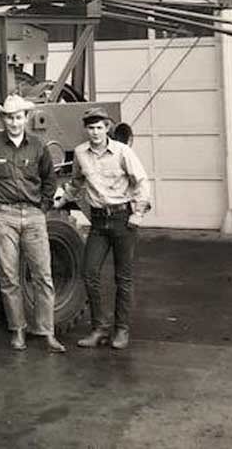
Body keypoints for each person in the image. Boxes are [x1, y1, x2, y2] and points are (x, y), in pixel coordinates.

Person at [0, 94, 65, 353]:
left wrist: (41, 208)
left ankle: (46, 332)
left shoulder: (38, 146)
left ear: (25, 118)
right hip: (2, 216)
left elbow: (50, 180)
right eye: (9, 117)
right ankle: (17, 330)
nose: (14, 122)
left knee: (43, 276)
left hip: (32, 216)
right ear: (3, 118)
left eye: (18, 117)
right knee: (9, 277)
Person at [54, 106, 150, 350]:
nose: (95, 132)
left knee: (123, 277)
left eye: (99, 127)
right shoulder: (80, 153)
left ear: (107, 127)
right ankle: (99, 329)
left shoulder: (122, 152)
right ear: (85, 129)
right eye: (91, 128)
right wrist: (62, 199)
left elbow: (141, 181)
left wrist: (138, 213)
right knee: (89, 273)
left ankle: (121, 330)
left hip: (122, 219)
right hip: (98, 221)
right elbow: (76, 182)